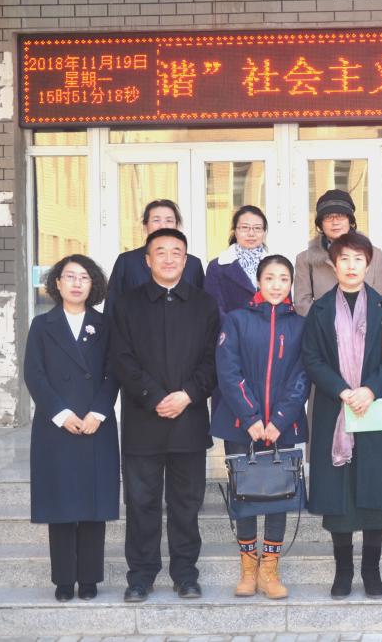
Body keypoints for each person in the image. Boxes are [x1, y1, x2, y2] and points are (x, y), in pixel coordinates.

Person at [109, 228, 220, 603]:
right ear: (147, 260)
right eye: (161, 252)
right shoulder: (127, 304)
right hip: (144, 420)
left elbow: (213, 360)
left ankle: (186, 574)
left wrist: (187, 395)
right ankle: (140, 576)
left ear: (186, 260)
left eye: (177, 252)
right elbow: (121, 358)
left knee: (186, 503)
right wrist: (154, 397)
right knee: (141, 502)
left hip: (189, 420)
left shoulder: (205, 304)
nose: (169, 258)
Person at [301, 232, 382, 600]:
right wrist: (344, 391)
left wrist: (370, 389)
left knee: (375, 488)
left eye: (358, 259)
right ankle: (343, 570)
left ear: (368, 263)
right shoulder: (320, 309)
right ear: (333, 264)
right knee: (339, 492)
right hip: (335, 408)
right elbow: (312, 358)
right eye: (343, 258)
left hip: (374, 406)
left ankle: (371, 570)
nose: (350, 265)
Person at [212, 254, 310, 600]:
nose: (276, 285)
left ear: (291, 284)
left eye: (284, 279)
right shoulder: (237, 320)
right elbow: (228, 370)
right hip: (242, 425)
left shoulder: (300, 324)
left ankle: (270, 569)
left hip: (284, 426)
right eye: (270, 278)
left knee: (279, 495)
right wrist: (252, 418)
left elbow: (303, 375)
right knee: (246, 494)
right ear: (258, 281)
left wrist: (279, 419)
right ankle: (248, 568)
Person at [24, 255, 120, 602]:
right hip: (55, 426)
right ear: (57, 283)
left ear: (94, 284)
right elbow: (34, 374)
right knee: (60, 502)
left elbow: (114, 371)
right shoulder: (42, 325)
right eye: (70, 276)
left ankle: (90, 578)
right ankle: (64, 580)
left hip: (96, 424)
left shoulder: (105, 324)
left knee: (94, 503)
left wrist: (99, 412)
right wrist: (61, 413)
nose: (77, 283)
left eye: (84, 277)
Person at [104, 199, 204, 318]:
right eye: (156, 220)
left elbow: (202, 306)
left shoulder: (193, 264)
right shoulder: (127, 261)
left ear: (177, 226)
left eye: (169, 220)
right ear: (145, 226)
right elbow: (112, 307)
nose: (163, 225)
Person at [294, 189, 382, 316]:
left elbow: (380, 300)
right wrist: (327, 322)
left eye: (341, 215)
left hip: (365, 326)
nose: (335, 222)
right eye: (328, 217)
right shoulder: (305, 259)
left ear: (350, 220)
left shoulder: (374, 254)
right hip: (323, 326)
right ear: (320, 224)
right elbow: (302, 303)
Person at [204, 205, 269, 321]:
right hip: (232, 330)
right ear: (235, 231)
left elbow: (285, 306)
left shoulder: (276, 265)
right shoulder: (217, 267)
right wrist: (235, 328)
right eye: (245, 227)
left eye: (257, 228)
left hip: (270, 330)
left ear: (264, 232)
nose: (251, 233)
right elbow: (214, 309)